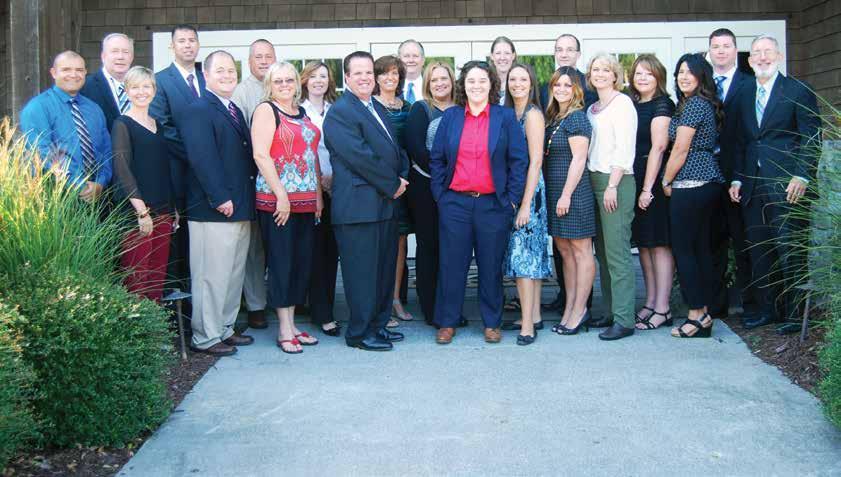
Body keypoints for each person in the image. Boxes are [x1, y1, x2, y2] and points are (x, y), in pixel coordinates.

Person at [430, 60, 528, 345]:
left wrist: (511, 200)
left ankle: (492, 322)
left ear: (491, 84)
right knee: (452, 265)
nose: (476, 86)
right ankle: (447, 322)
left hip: (493, 205)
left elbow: (518, 161)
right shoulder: (451, 117)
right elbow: (437, 159)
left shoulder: (504, 117)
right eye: (471, 81)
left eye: (482, 81)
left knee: (490, 265)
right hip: (455, 204)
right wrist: (441, 196)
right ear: (463, 85)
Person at [729, 35, 820, 329]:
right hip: (753, 185)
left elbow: (812, 137)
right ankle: (769, 309)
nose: (762, 57)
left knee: (791, 250)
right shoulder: (744, 93)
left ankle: (795, 315)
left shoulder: (797, 90)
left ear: (779, 56)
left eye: (768, 52)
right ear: (750, 59)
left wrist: (802, 175)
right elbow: (742, 141)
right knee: (760, 251)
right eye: (757, 53)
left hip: (789, 185)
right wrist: (737, 179)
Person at [323, 51, 409, 352]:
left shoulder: (375, 106)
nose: (364, 78)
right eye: (357, 73)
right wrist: (393, 183)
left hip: (384, 205)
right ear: (346, 77)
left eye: (368, 72)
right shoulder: (340, 112)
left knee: (382, 273)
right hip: (358, 209)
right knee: (362, 276)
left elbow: (395, 149)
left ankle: (378, 325)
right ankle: (359, 333)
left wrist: (402, 174)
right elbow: (360, 157)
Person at [179, 50, 256, 357]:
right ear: (206, 76)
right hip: (213, 208)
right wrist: (220, 196)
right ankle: (205, 336)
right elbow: (202, 157)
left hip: (239, 205)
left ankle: (224, 327)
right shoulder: (198, 109)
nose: (227, 76)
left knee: (232, 273)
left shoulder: (232, 108)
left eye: (231, 71)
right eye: (220, 71)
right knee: (211, 275)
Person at [251, 62, 323, 354]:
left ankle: (293, 325)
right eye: (278, 81)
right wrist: (281, 195)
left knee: (300, 264)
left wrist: (317, 196)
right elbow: (260, 155)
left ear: (296, 83)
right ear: (270, 84)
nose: (284, 85)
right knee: (282, 264)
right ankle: (283, 328)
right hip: (277, 203)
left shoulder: (302, 112)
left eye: (289, 80)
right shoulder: (266, 110)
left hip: (305, 202)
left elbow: (311, 156)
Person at [661, 53, 726, 338]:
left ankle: (695, 315)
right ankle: (704, 315)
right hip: (704, 183)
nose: (683, 77)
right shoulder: (692, 104)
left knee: (685, 250)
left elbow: (680, 148)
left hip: (692, 182)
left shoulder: (695, 104)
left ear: (702, 77)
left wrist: (666, 179)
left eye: (689, 72)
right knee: (698, 249)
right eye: (680, 72)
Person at [541, 33, 597, 314]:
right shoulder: (554, 118)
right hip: (556, 194)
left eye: (567, 85)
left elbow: (579, 159)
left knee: (581, 251)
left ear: (577, 90)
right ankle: (570, 307)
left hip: (573, 194)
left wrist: (565, 195)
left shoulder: (577, 117)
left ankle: (580, 310)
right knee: (565, 252)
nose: (561, 89)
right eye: (557, 85)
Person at [150, 24, 205, 303]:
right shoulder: (161, 81)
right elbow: (163, 126)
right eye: (181, 41)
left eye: (192, 40)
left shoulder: (207, 78)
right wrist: (197, 155)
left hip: (207, 179)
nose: (187, 45)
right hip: (178, 173)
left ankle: (203, 300)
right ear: (172, 46)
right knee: (179, 242)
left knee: (202, 243)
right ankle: (178, 307)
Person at [586, 53, 638, 341]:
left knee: (617, 252)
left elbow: (624, 148)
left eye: (606, 69)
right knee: (603, 253)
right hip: (593, 179)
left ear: (615, 75)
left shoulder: (623, 104)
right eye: (596, 69)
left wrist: (613, 185)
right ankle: (610, 311)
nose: (600, 74)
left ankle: (624, 319)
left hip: (615, 181)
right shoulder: (592, 108)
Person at [111, 66, 174, 302]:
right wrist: (142, 212)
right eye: (135, 87)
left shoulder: (158, 125)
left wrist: (172, 208)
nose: (141, 92)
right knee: (137, 277)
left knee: (157, 275)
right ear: (127, 91)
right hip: (137, 213)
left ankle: (155, 323)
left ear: (154, 90)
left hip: (163, 210)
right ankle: (139, 324)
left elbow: (162, 169)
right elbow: (122, 170)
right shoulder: (122, 124)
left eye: (146, 86)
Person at [500, 63, 551, 345]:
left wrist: (525, 204)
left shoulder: (532, 115)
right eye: (512, 79)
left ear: (531, 83)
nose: (517, 84)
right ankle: (535, 315)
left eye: (523, 79)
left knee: (523, 259)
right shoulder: (509, 112)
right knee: (529, 255)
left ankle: (528, 326)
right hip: (516, 188)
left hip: (530, 192)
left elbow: (536, 161)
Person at [707, 28, 756, 322]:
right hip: (708, 175)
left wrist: (741, 174)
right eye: (716, 46)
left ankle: (751, 307)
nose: (721, 51)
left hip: (738, 174)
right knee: (712, 244)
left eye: (726, 46)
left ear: (736, 50)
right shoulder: (704, 85)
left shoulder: (749, 84)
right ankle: (715, 306)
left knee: (743, 242)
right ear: (710, 51)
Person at [405, 61, 458, 327]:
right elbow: (416, 149)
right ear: (427, 83)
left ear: (452, 81)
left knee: (454, 249)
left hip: (458, 190)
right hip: (426, 188)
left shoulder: (463, 109)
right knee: (430, 247)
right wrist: (446, 174)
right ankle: (432, 310)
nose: (439, 83)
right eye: (434, 79)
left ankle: (452, 307)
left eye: (444, 78)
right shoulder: (421, 109)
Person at [20, 51, 112, 202]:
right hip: (56, 198)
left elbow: (106, 150)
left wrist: (101, 182)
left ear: (85, 73)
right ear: (54, 73)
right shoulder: (38, 107)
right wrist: (78, 184)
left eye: (79, 70)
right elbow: (42, 152)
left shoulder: (94, 109)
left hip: (97, 197)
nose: (73, 75)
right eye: (66, 69)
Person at [628, 55, 676, 331]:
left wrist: (647, 188)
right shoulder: (633, 105)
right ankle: (650, 302)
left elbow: (658, 148)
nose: (643, 78)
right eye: (638, 73)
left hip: (654, 181)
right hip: (635, 178)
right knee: (644, 243)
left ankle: (663, 307)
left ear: (658, 76)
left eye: (648, 73)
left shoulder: (663, 104)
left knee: (659, 244)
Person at [231, 39, 276, 329]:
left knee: (281, 244)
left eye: (268, 56)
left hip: (286, 179)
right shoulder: (242, 92)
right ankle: (256, 304)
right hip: (255, 177)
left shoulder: (283, 87)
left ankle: (286, 298)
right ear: (249, 61)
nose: (263, 61)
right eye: (258, 57)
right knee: (255, 247)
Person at [373, 55, 414, 328]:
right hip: (378, 184)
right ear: (376, 77)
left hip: (404, 182)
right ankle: (381, 303)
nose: (390, 78)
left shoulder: (407, 107)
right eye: (384, 73)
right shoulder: (370, 106)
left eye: (394, 73)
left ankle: (396, 298)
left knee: (400, 242)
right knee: (381, 245)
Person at [301, 61, 341, 337]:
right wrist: (318, 180)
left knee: (331, 252)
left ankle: (326, 306)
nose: (318, 80)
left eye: (323, 76)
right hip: (308, 190)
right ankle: (321, 313)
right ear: (305, 80)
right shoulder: (298, 110)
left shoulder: (335, 109)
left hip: (337, 187)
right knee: (314, 252)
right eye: (313, 76)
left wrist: (333, 178)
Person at [80, 33, 134, 131]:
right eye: (115, 51)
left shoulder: (143, 87)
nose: (120, 56)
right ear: (103, 56)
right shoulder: (85, 87)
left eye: (126, 52)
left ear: (132, 57)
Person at [540, 34, 598, 109]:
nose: (564, 55)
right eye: (559, 50)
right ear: (555, 53)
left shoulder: (589, 85)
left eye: (570, 50)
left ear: (578, 54)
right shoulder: (545, 88)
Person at [490, 36, 516, 105]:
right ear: (492, 56)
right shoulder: (486, 84)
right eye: (498, 53)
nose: (502, 58)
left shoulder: (520, 85)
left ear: (513, 56)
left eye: (507, 53)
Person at [398, 39, 425, 104]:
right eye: (406, 56)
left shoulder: (432, 86)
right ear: (399, 60)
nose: (411, 60)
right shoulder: (391, 87)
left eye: (415, 56)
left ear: (423, 60)